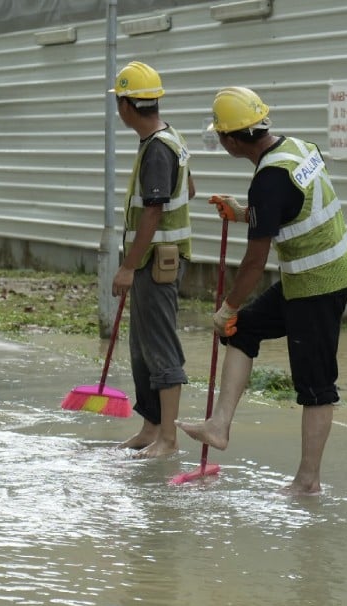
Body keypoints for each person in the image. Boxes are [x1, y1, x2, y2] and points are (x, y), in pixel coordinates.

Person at [176, 87, 347, 495]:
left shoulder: (269, 181)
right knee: (245, 329)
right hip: (309, 276)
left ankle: (307, 482)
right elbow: (294, 208)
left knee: (315, 385)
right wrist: (245, 214)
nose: (220, 142)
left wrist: (227, 306)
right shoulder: (299, 148)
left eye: (220, 136)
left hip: (319, 286)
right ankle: (219, 425)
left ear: (233, 139)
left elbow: (255, 262)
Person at [108, 61, 196, 458]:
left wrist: (128, 265)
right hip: (154, 259)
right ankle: (150, 428)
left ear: (126, 106)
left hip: (157, 263)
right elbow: (190, 190)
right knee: (142, 347)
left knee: (159, 347)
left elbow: (154, 211)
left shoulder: (158, 150)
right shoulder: (168, 139)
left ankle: (169, 439)